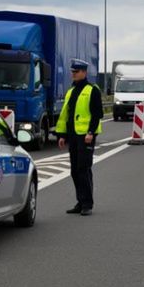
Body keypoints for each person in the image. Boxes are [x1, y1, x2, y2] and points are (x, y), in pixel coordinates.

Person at [56, 59, 103, 216]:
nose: (73, 74)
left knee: (83, 169)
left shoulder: (92, 90)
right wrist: (62, 135)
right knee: (74, 171)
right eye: (72, 72)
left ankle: (87, 204)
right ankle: (80, 201)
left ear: (84, 72)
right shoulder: (71, 91)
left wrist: (91, 132)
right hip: (74, 136)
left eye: (76, 72)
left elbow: (97, 114)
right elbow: (65, 116)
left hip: (86, 136)